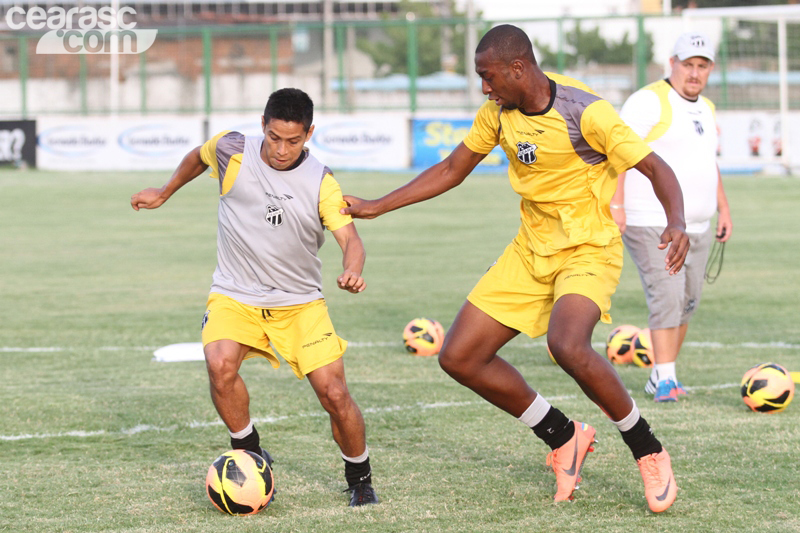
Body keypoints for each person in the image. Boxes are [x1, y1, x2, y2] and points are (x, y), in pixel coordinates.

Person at [341, 24, 689, 512]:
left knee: (566, 344)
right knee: (459, 356)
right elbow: (450, 170)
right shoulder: (497, 114)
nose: (484, 87)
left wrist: (676, 220)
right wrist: (376, 206)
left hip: (587, 249)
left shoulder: (585, 111)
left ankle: (648, 449)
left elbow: (656, 168)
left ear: (517, 68)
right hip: (529, 251)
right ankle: (563, 436)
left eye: (488, 76)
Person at [130, 88, 379, 507]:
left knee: (334, 394)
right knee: (219, 363)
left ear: (309, 133)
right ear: (263, 126)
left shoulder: (322, 181)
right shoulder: (232, 149)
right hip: (235, 294)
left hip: (299, 303)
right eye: (274, 138)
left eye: (293, 141)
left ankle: (360, 476)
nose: (282, 150)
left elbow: (350, 239)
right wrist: (165, 191)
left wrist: (352, 269)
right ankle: (248, 449)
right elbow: (197, 156)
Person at [612, 32, 733, 403]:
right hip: (650, 219)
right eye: (688, 64)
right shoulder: (648, 101)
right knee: (667, 293)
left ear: (709, 70)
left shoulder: (707, 109)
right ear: (672, 64)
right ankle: (665, 378)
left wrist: (723, 208)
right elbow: (617, 151)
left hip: (698, 224)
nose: (694, 73)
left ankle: (662, 375)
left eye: (702, 66)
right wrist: (616, 205)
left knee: (688, 301)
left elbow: (706, 161)